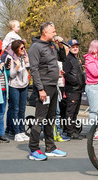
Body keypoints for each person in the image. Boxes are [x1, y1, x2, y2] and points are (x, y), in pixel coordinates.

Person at [28, 22, 67, 160]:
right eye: (53, 31)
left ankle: (50, 147)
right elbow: (34, 70)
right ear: (44, 32)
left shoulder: (52, 45)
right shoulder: (35, 47)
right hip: (44, 87)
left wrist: (61, 46)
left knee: (51, 118)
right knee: (40, 118)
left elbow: (62, 58)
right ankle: (34, 149)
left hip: (53, 86)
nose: (55, 34)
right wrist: (40, 89)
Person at [5, 39, 29, 141]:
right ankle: (16, 132)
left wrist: (27, 63)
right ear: (16, 49)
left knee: (22, 109)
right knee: (15, 109)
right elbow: (11, 75)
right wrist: (17, 67)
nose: (24, 50)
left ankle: (22, 130)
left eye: (24, 47)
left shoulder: (24, 57)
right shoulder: (10, 58)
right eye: (21, 48)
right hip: (14, 86)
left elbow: (27, 69)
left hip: (24, 85)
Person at [63, 39, 85, 139]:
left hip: (78, 89)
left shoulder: (76, 59)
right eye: (73, 47)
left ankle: (73, 130)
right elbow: (66, 73)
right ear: (69, 48)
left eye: (76, 47)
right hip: (72, 89)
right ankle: (70, 131)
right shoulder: (68, 59)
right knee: (70, 111)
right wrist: (75, 82)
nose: (75, 48)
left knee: (75, 111)